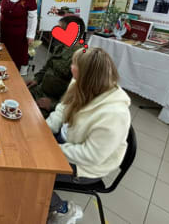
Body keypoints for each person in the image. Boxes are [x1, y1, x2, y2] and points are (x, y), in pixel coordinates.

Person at [45, 47, 131, 224]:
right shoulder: (80, 83)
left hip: (86, 166)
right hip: (66, 145)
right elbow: (63, 107)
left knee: (31, 174)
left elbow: (91, 155)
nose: (71, 66)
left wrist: (51, 148)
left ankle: (63, 209)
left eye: (74, 64)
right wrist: (45, 129)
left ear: (88, 75)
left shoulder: (114, 114)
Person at [27, 16, 84, 118]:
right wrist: (36, 79)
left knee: (28, 117)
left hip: (53, 102)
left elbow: (79, 95)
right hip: (39, 90)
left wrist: (53, 105)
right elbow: (46, 68)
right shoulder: (60, 47)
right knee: (16, 97)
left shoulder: (81, 57)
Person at [0, 0, 37, 75]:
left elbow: (33, 19)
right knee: (4, 55)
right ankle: (2, 74)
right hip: (4, 33)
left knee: (16, 58)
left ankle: (14, 77)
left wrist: (30, 36)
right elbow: (0, 10)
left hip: (19, 36)